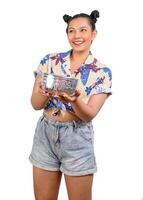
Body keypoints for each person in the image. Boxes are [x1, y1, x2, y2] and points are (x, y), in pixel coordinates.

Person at [29, 10, 112, 200]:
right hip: (45, 133)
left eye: (83, 30)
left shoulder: (102, 72)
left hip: (77, 137)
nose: (77, 36)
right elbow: (35, 104)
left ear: (93, 34)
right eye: (71, 31)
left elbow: (89, 114)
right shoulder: (49, 60)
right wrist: (43, 94)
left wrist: (74, 101)